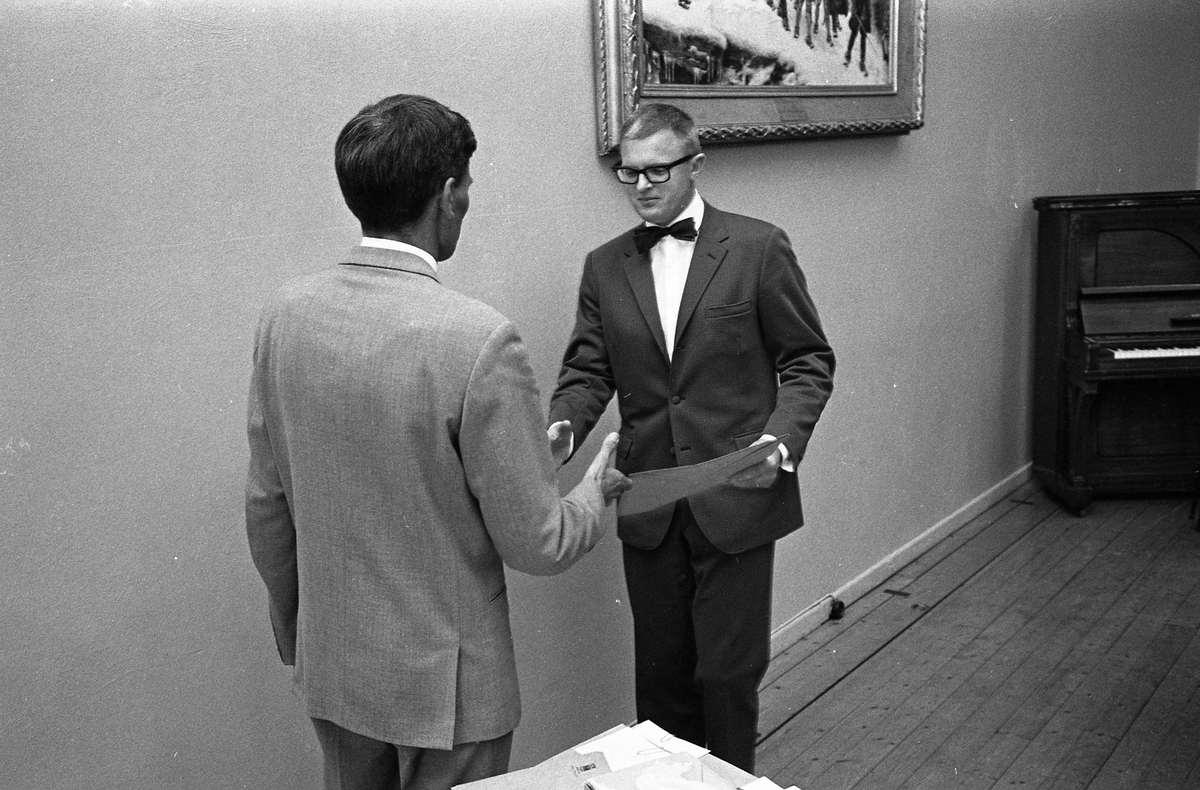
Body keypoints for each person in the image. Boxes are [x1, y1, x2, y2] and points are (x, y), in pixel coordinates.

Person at [245, 93, 630, 790]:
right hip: (452, 692)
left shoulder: (285, 317)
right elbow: (540, 544)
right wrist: (595, 493)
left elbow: (268, 507)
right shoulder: (480, 339)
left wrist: (297, 629)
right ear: (447, 195)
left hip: (336, 668)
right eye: (468, 187)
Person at [547, 103, 834, 773]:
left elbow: (808, 361)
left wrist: (778, 444)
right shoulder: (605, 266)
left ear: (696, 164)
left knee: (728, 679)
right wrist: (562, 428)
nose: (642, 186)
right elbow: (589, 371)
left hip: (736, 495)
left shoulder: (758, 248)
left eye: (658, 171)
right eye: (629, 173)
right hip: (650, 502)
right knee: (662, 682)